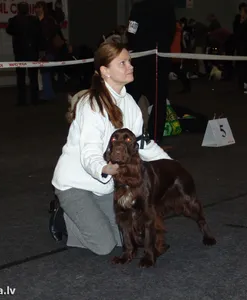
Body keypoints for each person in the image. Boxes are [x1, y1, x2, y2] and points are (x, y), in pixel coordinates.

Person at [51, 42, 171, 255]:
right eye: (122, 63)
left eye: (130, 62)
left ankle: (85, 216)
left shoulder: (130, 103)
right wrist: (104, 169)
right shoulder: (91, 104)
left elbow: (140, 143)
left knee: (123, 239)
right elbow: (89, 151)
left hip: (104, 186)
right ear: (105, 71)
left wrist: (171, 165)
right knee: (104, 246)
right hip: (74, 183)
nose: (130, 66)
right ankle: (62, 218)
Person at [126, 0, 176, 144]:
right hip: (161, 57)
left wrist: (132, 45)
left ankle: (128, 132)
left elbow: (131, 30)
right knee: (159, 98)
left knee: (132, 94)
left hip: (141, 58)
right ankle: (156, 136)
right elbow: (171, 31)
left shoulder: (138, 7)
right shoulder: (168, 6)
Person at [6, 2, 42, 106]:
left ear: (18, 9)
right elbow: (39, 35)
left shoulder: (14, 20)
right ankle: (34, 99)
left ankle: (22, 101)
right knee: (33, 77)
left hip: (19, 53)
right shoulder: (35, 20)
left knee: (21, 77)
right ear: (28, 9)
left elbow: (8, 30)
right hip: (32, 52)